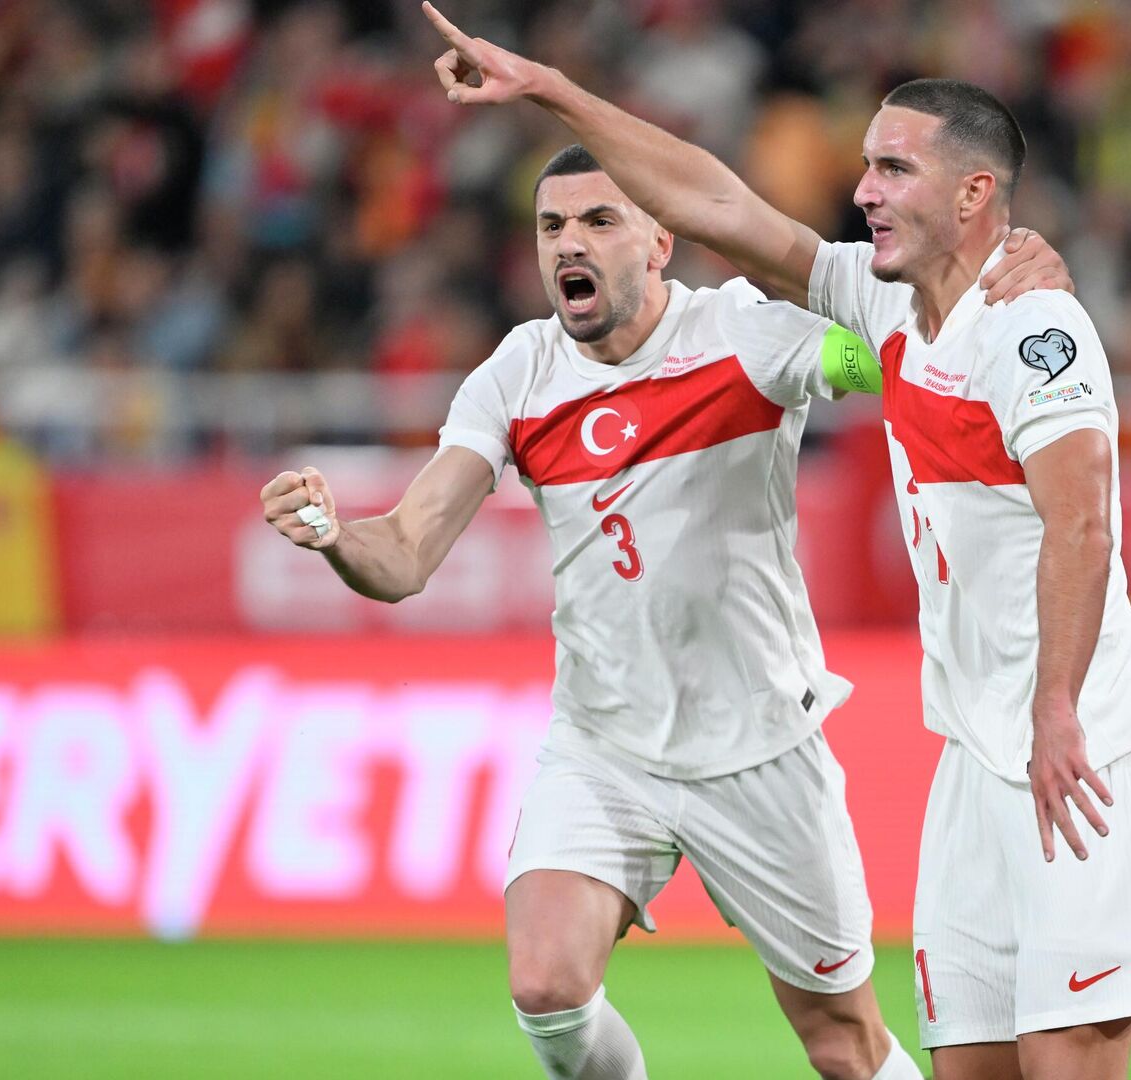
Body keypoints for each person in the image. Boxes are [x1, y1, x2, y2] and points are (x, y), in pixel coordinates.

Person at [419, 7, 1131, 1078]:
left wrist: (1057, 708)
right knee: (967, 1064)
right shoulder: (881, 309)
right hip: (978, 754)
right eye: (867, 165)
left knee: (1061, 1057)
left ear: (974, 194)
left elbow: (1082, 520)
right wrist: (550, 89)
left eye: (894, 168)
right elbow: (716, 204)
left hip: (1086, 747)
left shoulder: (1035, 328)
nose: (864, 188)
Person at [262, 142, 1059, 1079]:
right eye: (553, 226)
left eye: (600, 221)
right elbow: (403, 554)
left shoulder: (744, 335)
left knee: (843, 1044)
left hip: (758, 747)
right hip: (606, 746)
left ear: (660, 243)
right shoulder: (519, 374)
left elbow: (893, 361)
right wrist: (334, 536)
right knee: (548, 987)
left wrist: (1003, 312)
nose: (571, 242)